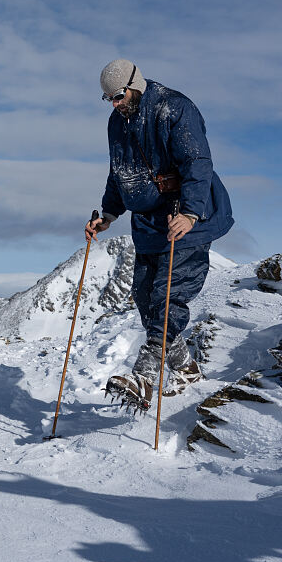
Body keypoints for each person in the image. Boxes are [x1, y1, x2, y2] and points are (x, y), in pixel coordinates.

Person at [84, 59, 233, 410]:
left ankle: (144, 378)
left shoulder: (174, 107)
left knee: (169, 298)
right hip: (148, 220)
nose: (115, 104)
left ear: (135, 84)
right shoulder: (116, 122)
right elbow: (119, 172)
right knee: (145, 297)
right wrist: (108, 214)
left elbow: (197, 162)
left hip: (186, 215)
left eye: (119, 96)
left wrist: (191, 212)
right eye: (108, 99)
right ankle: (186, 369)